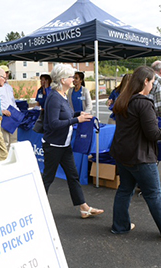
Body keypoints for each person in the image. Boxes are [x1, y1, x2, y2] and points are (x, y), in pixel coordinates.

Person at [109, 66, 161, 239]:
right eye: (151, 82)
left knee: (124, 190)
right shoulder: (143, 103)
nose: (152, 85)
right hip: (141, 157)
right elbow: (153, 134)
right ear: (145, 81)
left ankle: (120, 226)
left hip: (123, 155)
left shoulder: (122, 101)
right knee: (153, 195)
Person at [42, 63, 104, 219]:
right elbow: (54, 123)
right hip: (54, 146)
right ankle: (35, 208)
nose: (73, 80)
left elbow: (66, 114)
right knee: (47, 179)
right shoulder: (54, 97)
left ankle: (84, 208)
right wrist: (77, 119)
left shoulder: (62, 95)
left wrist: (77, 113)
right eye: (71, 77)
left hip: (64, 145)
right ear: (63, 80)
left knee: (73, 176)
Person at [0, 65, 20, 151]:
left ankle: (13, 161)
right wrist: (1, 111)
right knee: (5, 142)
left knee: (14, 142)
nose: (7, 75)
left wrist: (18, 112)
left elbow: (12, 101)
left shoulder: (9, 87)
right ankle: (5, 161)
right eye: (5, 73)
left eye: (8, 73)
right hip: (3, 117)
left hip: (12, 115)